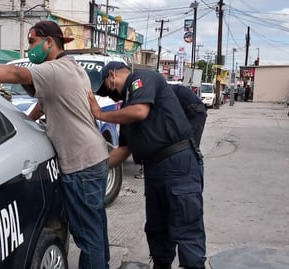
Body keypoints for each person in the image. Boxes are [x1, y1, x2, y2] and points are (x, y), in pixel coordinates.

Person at [0, 20, 110, 269]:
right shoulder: (71, 68)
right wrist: (21, 124)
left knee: (88, 238)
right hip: (94, 158)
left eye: (32, 42)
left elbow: (17, 74)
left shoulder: (55, 69)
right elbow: (42, 105)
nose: (29, 48)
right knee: (96, 228)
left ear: (48, 42)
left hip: (81, 164)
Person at [87, 62, 206, 269]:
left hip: (178, 164)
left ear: (112, 75)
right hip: (154, 169)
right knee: (157, 228)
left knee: (186, 226)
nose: (112, 95)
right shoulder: (126, 108)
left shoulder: (143, 78)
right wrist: (95, 169)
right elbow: (124, 149)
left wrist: (100, 114)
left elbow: (140, 111)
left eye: (109, 88)